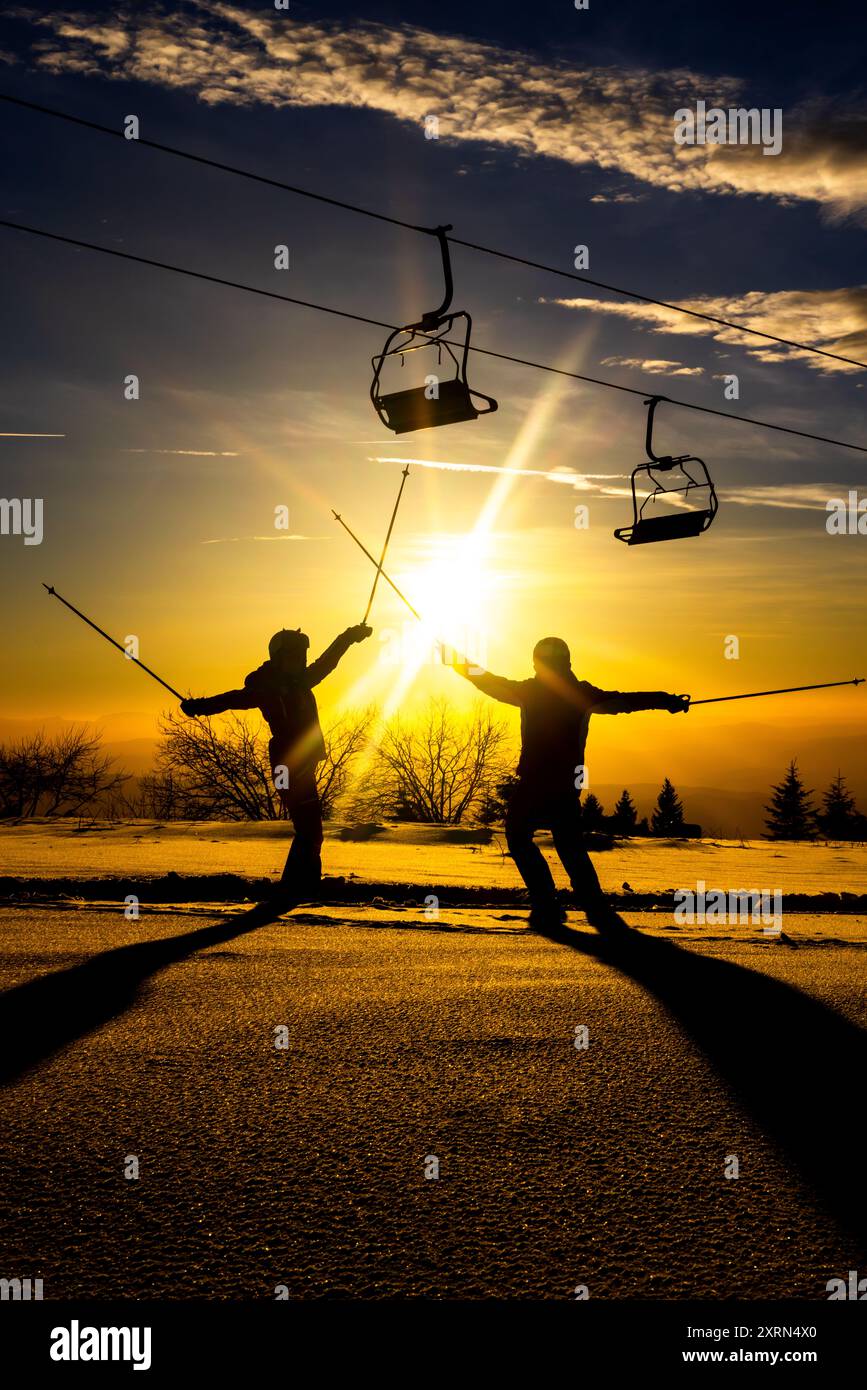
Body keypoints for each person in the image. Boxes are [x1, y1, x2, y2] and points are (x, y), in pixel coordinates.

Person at [445, 636, 688, 931]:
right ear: (566, 661)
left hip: (535, 779)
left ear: (537, 662)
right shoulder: (581, 694)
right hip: (567, 781)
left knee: (520, 837)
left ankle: (547, 899)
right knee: (568, 845)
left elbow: (485, 680)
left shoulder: (528, 691)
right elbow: (627, 701)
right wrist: (666, 701)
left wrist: (454, 658)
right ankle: (591, 903)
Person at [180, 624, 372, 902]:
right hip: (286, 765)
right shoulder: (268, 689)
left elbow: (328, 661)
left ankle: (301, 885)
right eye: (296, 656)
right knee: (309, 829)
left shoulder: (301, 680)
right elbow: (231, 700)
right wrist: (198, 707)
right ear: (280, 658)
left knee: (310, 829)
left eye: (303, 656)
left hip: (302, 764)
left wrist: (348, 637)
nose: (302, 661)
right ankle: (297, 888)